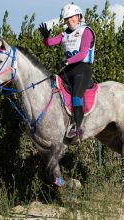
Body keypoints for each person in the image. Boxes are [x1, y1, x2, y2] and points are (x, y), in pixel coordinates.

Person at [38, 3, 95, 140]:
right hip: (69, 69)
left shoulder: (86, 31)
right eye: (66, 19)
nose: (69, 20)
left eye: (72, 17)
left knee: (76, 96)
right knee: (51, 86)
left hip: (82, 69)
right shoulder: (64, 34)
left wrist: (67, 61)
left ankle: (77, 128)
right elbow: (49, 43)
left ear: (78, 16)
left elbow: (82, 54)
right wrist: (46, 37)